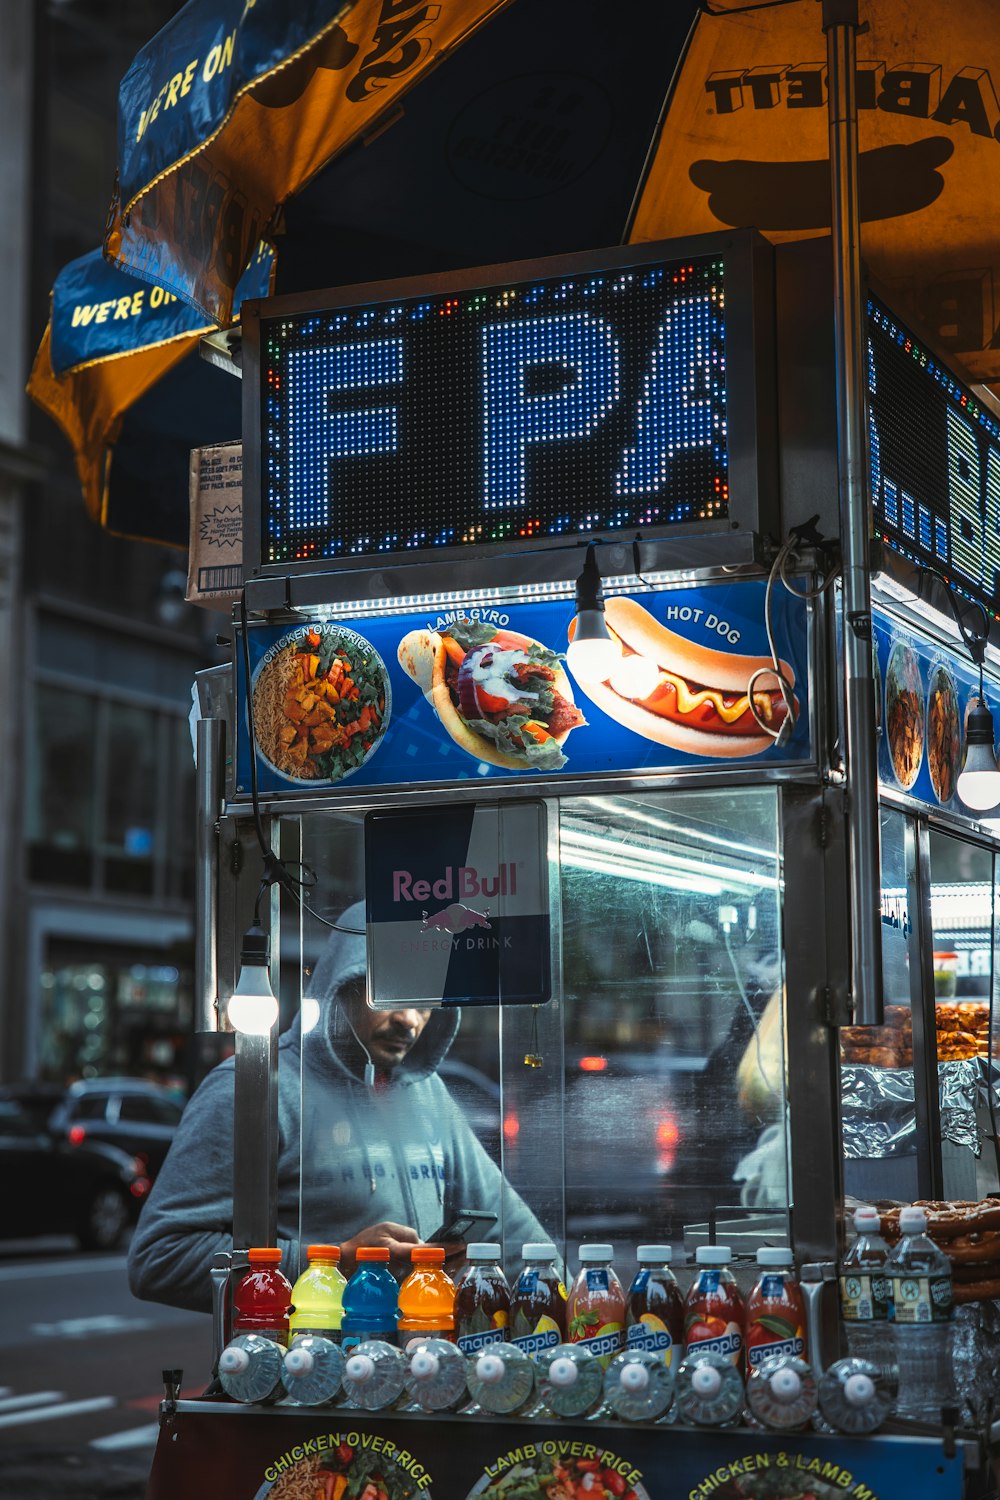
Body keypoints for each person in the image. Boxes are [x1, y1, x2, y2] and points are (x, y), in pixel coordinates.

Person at [127, 902, 550, 1312]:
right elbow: (159, 1258)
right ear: (342, 987)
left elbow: (511, 1227)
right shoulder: (256, 1090)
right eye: (388, 994)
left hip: (417, 1368)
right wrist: (336, 1263)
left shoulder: (428, 1093)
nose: (410, 1019)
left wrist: (572, 1306)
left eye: (423, 1001)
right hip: (308, 1375)